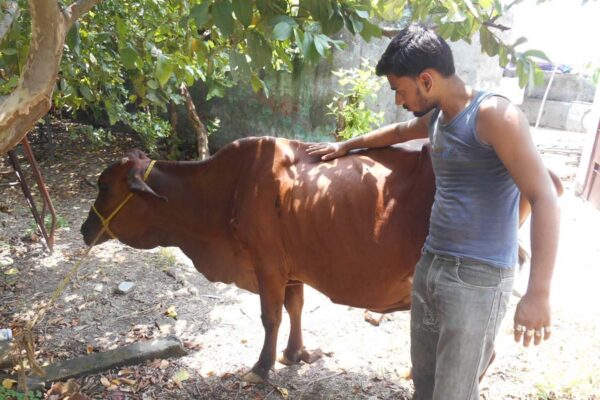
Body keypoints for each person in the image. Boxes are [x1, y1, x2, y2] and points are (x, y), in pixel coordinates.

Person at [307, 24, 559, 400]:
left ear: (426, 80)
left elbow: (545, 197)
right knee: (425, 385)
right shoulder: (437, 117)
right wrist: (347, 145)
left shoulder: (494, 116)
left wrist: (538, 292)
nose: (398, 99)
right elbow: (397, 131)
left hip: (478, 277)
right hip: (432, 267)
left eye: (400, 90)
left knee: (454, 393)